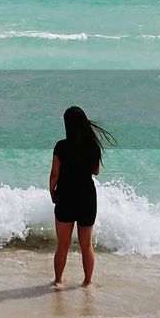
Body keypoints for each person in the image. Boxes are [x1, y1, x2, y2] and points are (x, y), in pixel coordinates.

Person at [49, 106, 115, 288]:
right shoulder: (93, 145)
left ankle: (58, 281)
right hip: (86, 197)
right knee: (86, 245)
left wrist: (52, 193)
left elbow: (54, 174)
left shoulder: (61, 146)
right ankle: (87, 282)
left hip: (65, 196)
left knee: (63, 244)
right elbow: (96, 171)